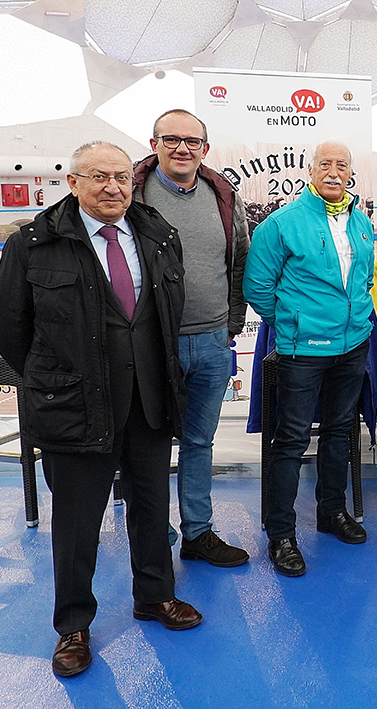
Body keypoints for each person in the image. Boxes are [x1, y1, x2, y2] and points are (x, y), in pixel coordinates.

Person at [0, 142, 202, 679]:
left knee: (151, 506)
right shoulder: (34, 244)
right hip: (76, 405)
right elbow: (11, 328)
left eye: (122, 177)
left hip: (149, 400)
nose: (113, 187)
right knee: (77, 522)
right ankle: (73, 625)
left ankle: (155, 595)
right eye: (100, 177)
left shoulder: (157, 234)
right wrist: (56, 378)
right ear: (73, 182)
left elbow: (165, 314)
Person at [244, 141, 375, 577]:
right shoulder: (282, 223)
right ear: (311, 170)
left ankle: (331, 511)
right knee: (292, 439)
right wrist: (292, 323)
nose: (334, 172)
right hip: (303, 351)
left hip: (353, 346)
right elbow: (257, 285)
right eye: (325, 164)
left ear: (350, 172)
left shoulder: (359, 220)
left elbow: (364, 279)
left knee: (339, 432)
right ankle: (281, 534)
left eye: (342, 165)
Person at [132, 108, 250, 568]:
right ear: (154, 144)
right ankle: (155, 537)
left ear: (205, 147)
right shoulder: (134, 195)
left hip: (212, 342)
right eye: (171, 139)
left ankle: (198, 532)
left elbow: (238, 264)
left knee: (200, 442)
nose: (182, 148)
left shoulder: (223, 197)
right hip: (152, 346)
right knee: (150, 446)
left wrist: (231, 325)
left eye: (191, 141)